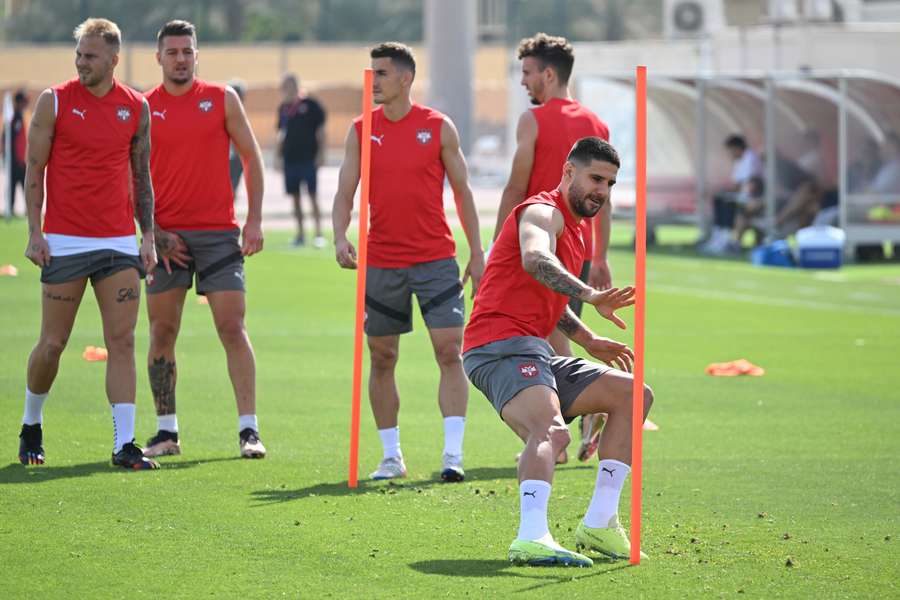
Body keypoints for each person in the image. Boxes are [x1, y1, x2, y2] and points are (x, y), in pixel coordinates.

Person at [463, 137, 654, 567]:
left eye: (609, 182)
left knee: (634, 394)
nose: (602, 190)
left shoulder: (579, 230)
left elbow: (547, 300)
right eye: (595, 178)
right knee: (552, 431)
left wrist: (588, 339)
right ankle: (531, 537)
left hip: (532, 350)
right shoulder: (542, 212)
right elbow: (534, 260)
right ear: (568, 171)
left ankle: (600, 524)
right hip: (497, 346)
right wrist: (590, 292)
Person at [332, 42, 485, 482]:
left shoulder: (437, 127)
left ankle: (452, 456)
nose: (373, 80)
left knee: (449, 352)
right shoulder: (362, 129)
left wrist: (477, 252)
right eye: (371, 72)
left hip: (435, 259)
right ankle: (391, 456)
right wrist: (340, 235)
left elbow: (464, 193)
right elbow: (346, 191)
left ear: (405, 78)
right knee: (382, 357)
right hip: (381, 261)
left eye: (380, 73)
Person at [18, 18, 159, 470]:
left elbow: (142, 177)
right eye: (78, 54)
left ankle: (125, 444)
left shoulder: (135, 107)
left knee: (121, 342)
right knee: (53, 344)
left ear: (114, 59)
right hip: (64, 241)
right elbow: (34, 170)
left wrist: (148, 235)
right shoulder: (54, 101)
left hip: (118, 243)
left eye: (90, 56)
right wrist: (35, 233)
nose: (82, 62)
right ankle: (31, 422)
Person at [142, 20, 267, 459]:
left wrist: (253, 220)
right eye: (172, 52)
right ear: (158, 57)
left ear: (197, 56)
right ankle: (165, 431)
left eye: (187, 51)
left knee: (232, 327)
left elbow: (252, 157)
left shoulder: (221, 99)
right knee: (162, 330)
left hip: (218, 235)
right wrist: (154, 233)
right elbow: (128, 176)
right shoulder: (143, 108)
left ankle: (249, 431)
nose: (180, 59)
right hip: (166, 240)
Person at [491, 32, 612, 464]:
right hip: (579, 244)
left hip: (538, 239)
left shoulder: (533, 119)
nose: (523, 81)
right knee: (556, 331)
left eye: (526, 72)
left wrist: (495, 247)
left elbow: (516, 185)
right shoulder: (597, 125)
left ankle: (562, 424)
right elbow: (604, 196)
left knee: (545, 333)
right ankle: (577, 414)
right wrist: (600, 256)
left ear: (548, 73)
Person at [277, 74, 327, 247]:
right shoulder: (283, 108)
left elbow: (320, 131)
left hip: (308, 159)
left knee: (313, 196)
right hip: (290, 160)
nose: (286, 90)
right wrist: (278, 156)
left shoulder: (310, 105)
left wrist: (321, 154)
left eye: (289, 86)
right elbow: (281, 134)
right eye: (284, 87)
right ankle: (300, 234)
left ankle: (319, 234)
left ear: (296, 86)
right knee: (295, 198)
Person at [702, 134, 762, 254]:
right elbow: (735, 185)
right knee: (719, 199)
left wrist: (728, 192)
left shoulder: (751, 158)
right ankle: (718, 237)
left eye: (730, 151)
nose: (729, 154)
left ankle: (725, 240)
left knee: (728, 202)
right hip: (744, 196)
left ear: (737, 148)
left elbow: (750, 184)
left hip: (754, 197)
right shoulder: (739, 161)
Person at [2, 89, 28, 216]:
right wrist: (18, 158)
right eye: (23, 102)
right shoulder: (16, 118)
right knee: (16, 185)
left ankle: (13, 209)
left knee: (20, 185)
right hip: (16, 161)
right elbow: (10, 140)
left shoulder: (18, 117)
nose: (25, 105)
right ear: (18, 102)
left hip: (18, 160)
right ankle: (10, 210)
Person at [227, 78, 247, 194]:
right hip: (226, 158)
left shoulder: (241, 114)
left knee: (232, 190)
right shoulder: (222, 111)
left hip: (237, 158)